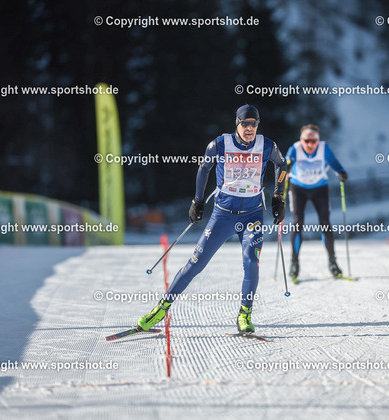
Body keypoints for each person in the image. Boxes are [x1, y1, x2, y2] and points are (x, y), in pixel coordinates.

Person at [137, 105, 287, 334]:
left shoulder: (267, 145)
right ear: (237, 123)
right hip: (223, 215)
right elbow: (204, 169)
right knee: (195, 263)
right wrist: (197, 201)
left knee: (251, 261)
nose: (249, 128)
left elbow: (282, 164)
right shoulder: (219, 144)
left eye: (254, 124)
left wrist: (278, 196)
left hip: (253, 216)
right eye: (245, 123)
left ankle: (244, 315)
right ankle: (161, 309)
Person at [285, 124, 348, 282]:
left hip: (320, 188)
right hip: (298, 188)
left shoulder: (323, 148)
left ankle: (333, 262)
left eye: (314, 141)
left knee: (325, 223)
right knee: (298, 223)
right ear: (301, 140)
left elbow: (335, 164)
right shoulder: (295, 149)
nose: (310, 144)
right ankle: (294, 263)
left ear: (318, 141)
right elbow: (284, 165)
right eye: (307, 141)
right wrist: (285, 169)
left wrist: (341, 173)